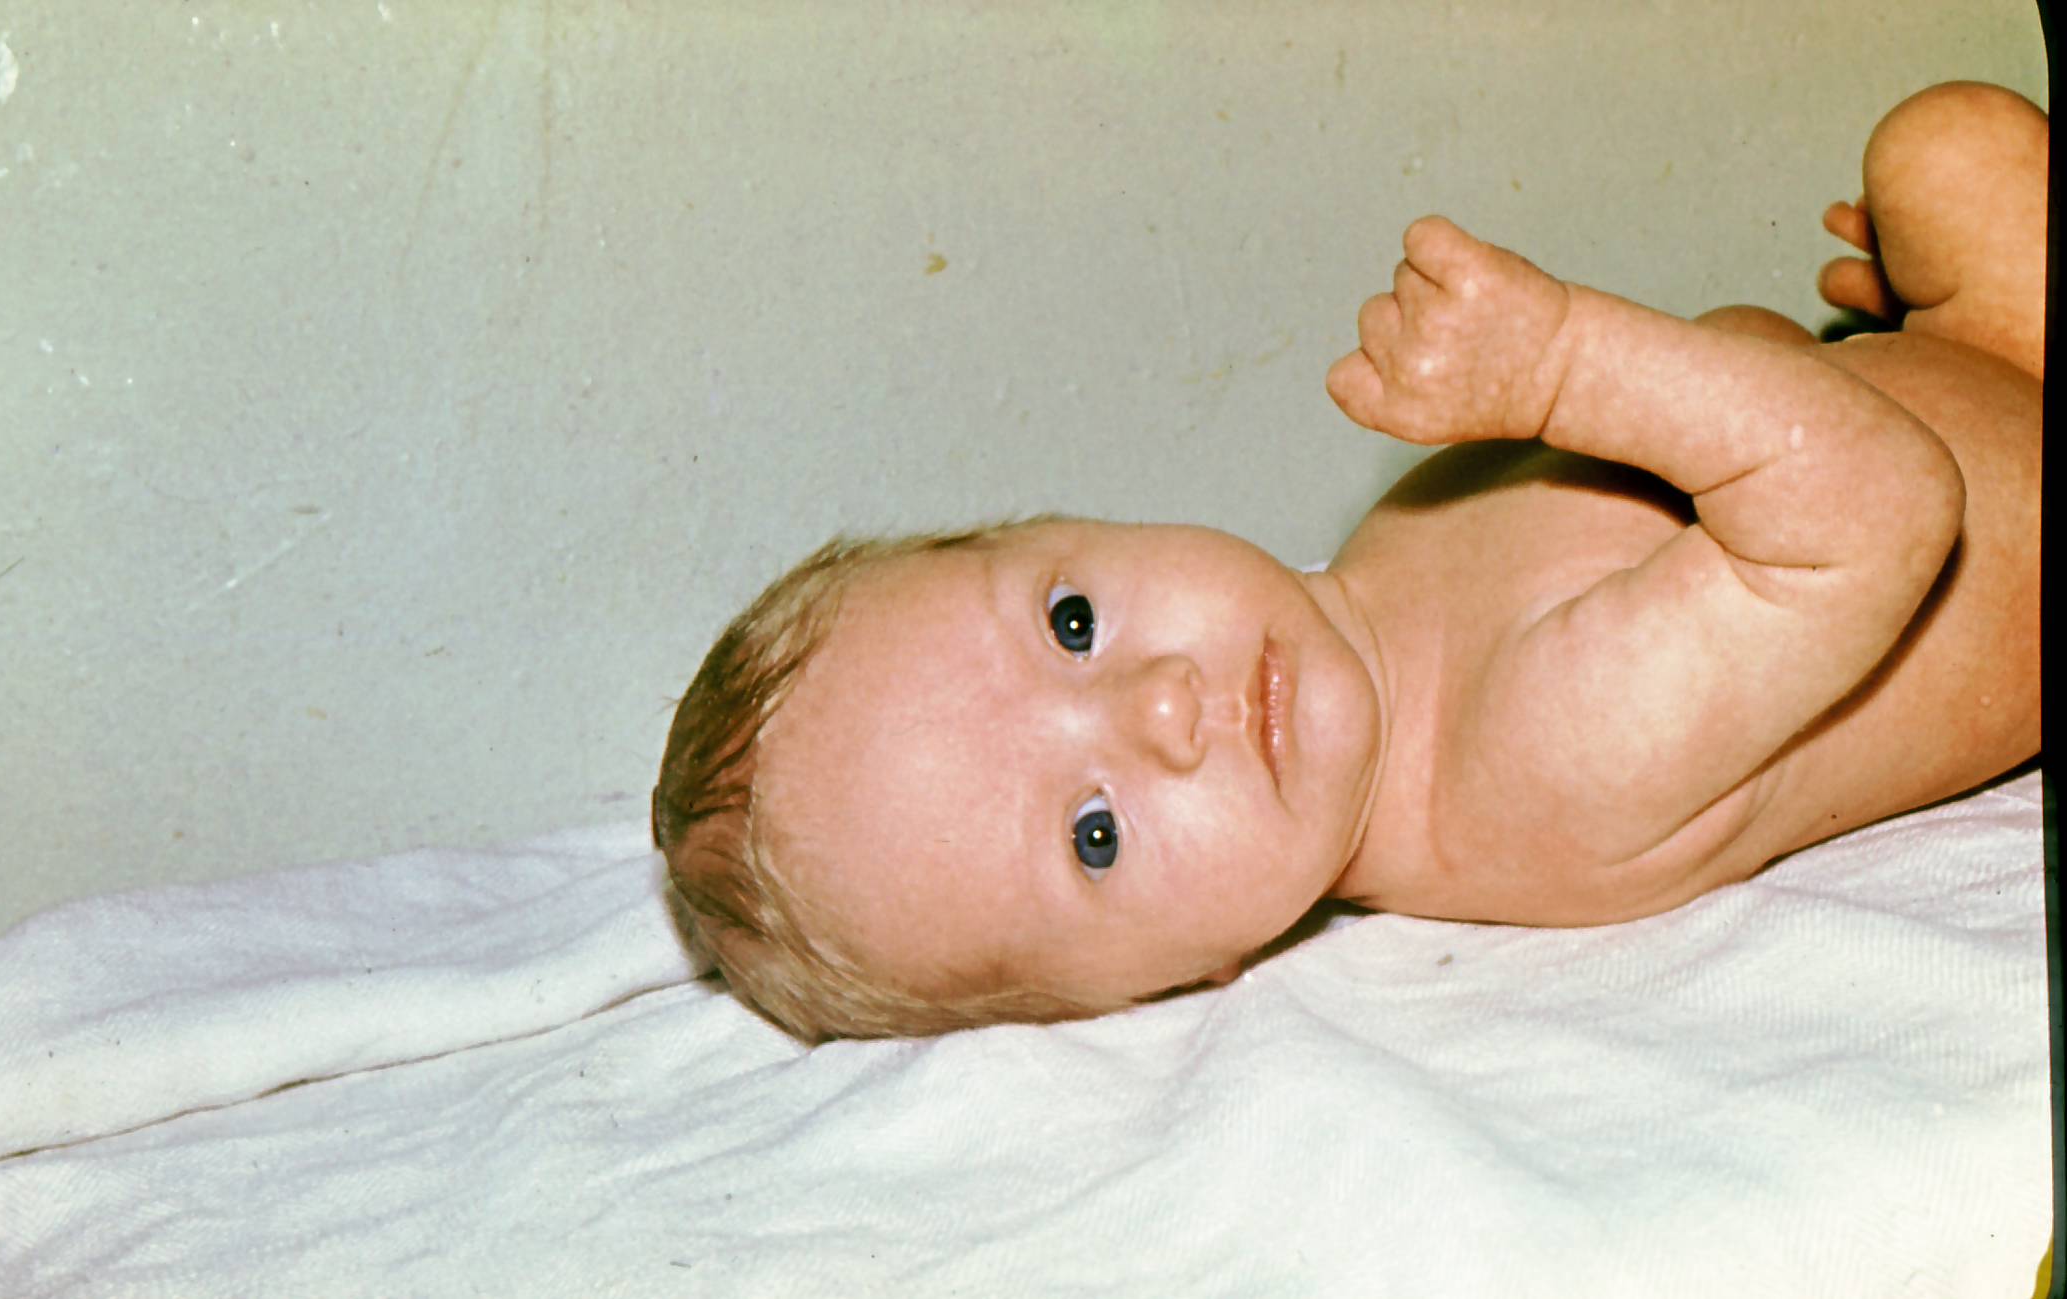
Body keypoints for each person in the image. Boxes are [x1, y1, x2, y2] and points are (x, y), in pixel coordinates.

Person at [652, 81, 2044, 1042]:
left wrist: (1839, 356)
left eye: (1072, 622)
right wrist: (1566, 366)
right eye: (1096, 834)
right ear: (1178, 979)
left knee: (1943, 149)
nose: (1160, 706)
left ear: (1077, 523)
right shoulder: (1529, 761)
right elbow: (1880, 511)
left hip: (1993, 362)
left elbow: (1713, 431)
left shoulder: (1383, 566)